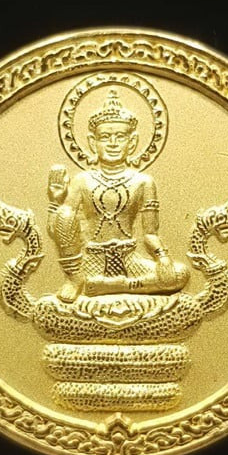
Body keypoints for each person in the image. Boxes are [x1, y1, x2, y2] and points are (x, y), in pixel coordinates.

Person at [47, 87, 189, 303]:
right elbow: (57, 230)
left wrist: (162, 257)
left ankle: (113, 286)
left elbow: (150, 233)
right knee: (66, 214)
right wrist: (55, 202)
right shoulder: (82, 181)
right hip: (90, 260)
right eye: (105, 137)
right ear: (92, 143)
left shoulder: (143, 182)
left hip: (130, 259)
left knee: (180, 274)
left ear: (132, 143)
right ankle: (76, 280)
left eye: (120, 136)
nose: (113, 143)